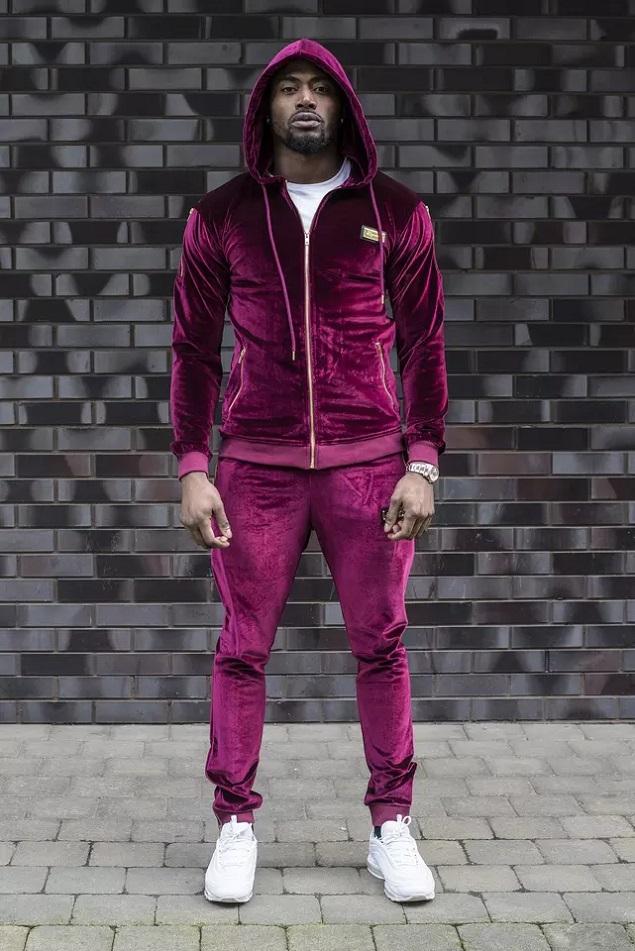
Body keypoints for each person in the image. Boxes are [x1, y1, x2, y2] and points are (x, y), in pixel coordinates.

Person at [169, 37, 448, 905]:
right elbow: (192, 349)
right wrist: (192, 466)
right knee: (242, 647)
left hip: (371, 465)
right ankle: (234, 824)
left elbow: (424, 343)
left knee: (381, 644)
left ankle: (390, 825)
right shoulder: (221, 215)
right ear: (264, 110)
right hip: (255, 467)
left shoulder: (395, 211)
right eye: (286, 87)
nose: (302, 100)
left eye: (317, 89)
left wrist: (423, 463)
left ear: (341, 107)